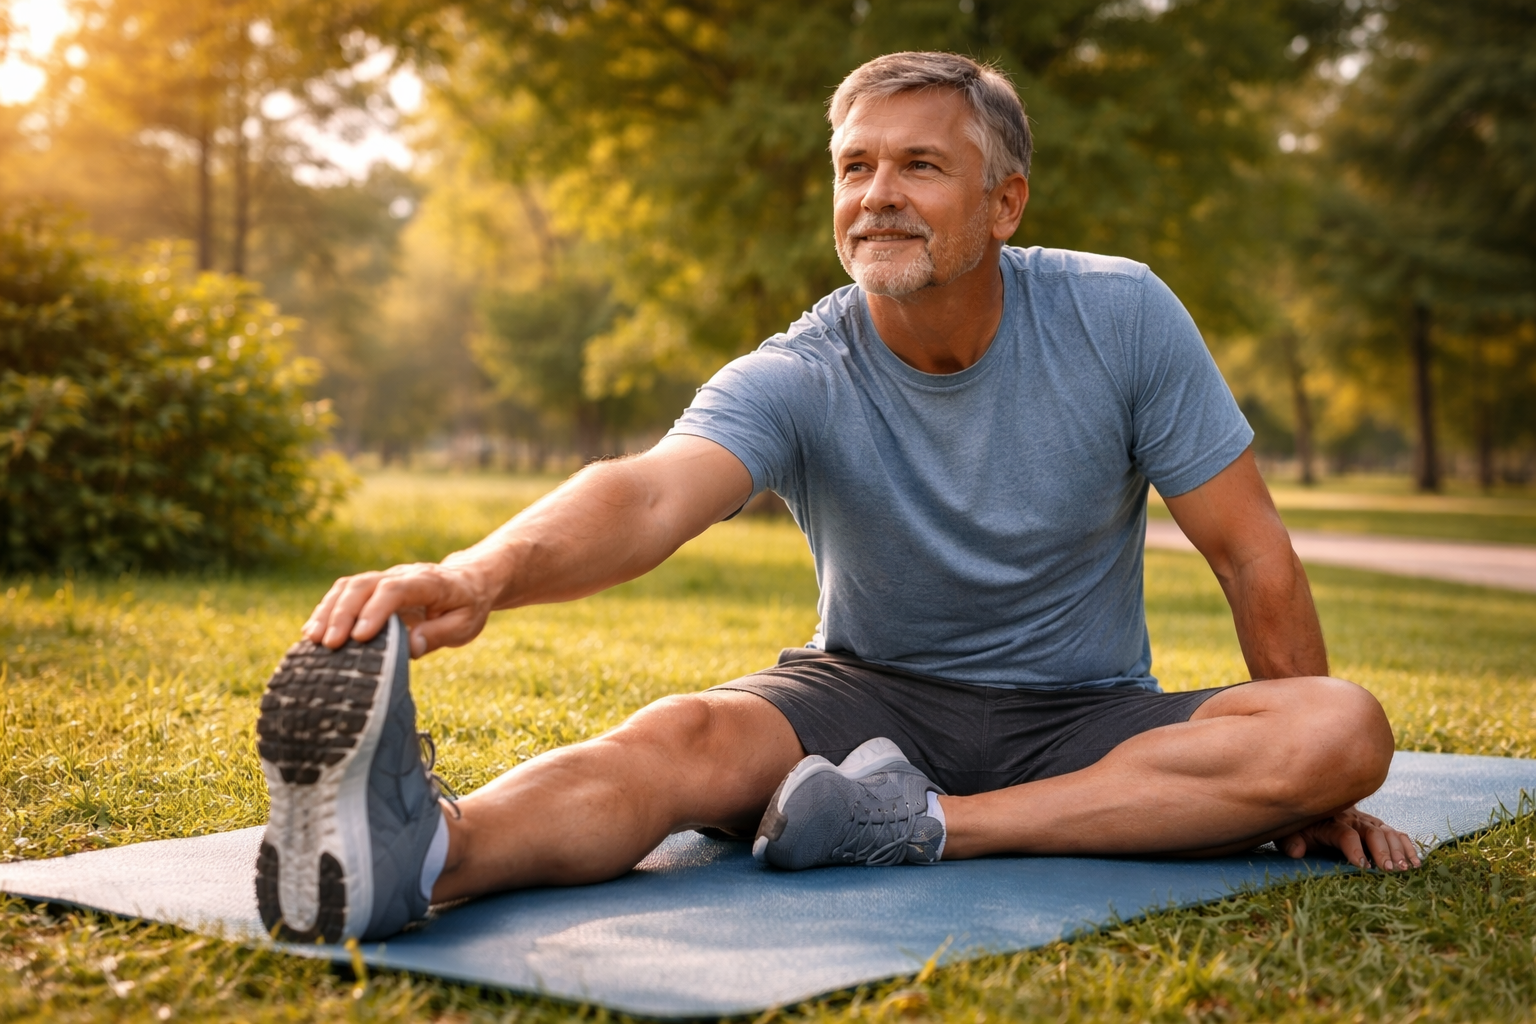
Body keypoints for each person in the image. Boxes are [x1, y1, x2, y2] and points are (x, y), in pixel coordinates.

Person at [252, 51, 1419, 945]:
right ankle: (419, 860)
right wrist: (474, 575)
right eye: (855, 166)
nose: (878, 195)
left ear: (1006, 203)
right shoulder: (805, 367)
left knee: (1340, 725)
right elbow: (650, 494)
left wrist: (1311, 794)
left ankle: (918, 828)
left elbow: (1251, 554)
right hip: (862, 700)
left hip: (1085, 717)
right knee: (687, 734)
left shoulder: (1122, 318)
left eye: (921, 165)